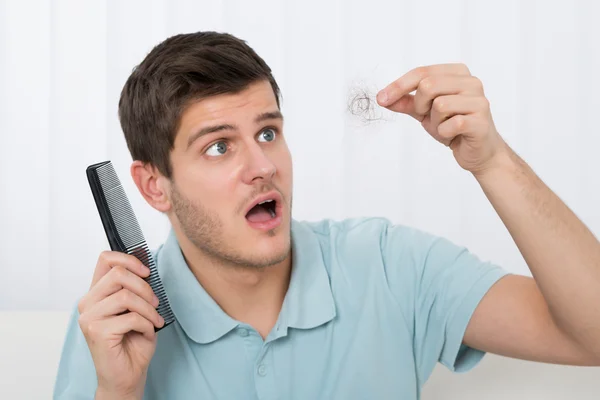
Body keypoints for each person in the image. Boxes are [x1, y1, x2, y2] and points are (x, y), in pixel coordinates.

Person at [53, 31, 600, 400]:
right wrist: (118, 392)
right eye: (219, 147)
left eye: (268, 132)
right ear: (155, 186)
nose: (263, 165)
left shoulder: (390, 265)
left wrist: (494, 162)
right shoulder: (114, 326)